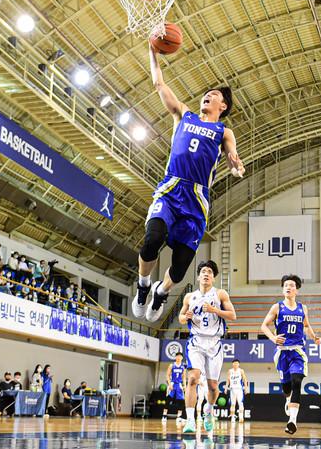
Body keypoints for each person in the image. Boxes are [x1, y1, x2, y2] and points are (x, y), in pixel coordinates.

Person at [132, 44, 245, 323]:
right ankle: (144, 285)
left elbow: (232, 154)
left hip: (196, 198)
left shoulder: (223, 131)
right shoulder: (184, 114)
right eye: (207, 93)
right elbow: (159, 84)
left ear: (223, 106)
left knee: (181, 267)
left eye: (214, 95)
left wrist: (235, 165)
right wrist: (153, 52)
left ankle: (161, 292)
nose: (208, 95)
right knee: (152, 239)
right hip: (172, 188)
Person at [177, 260, 237, 433]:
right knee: (193, 378)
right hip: (196, 342)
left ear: (213, 278)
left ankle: (209, 411)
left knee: (213, 386)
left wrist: (214, 310)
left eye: (210, 272)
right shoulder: (190, 297)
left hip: (214, 343)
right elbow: (181, 318)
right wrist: (186, 317)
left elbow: (232, 315)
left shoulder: (220, 294)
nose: (206, 274)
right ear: (198, 276)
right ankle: (190, 420)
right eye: (203, 271)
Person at [260, 274, 321, 435]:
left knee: (297, 382)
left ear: (297, 290)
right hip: (282, 352)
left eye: (292, 285)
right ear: (283, 289)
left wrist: (314, 337)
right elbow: (264, 326)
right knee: (287, 387)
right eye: (286, 285)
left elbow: (306, 326)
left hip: (297, 351)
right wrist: (273, 338)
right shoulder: (277, 307)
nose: (288, 287)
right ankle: (288, 399)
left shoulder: (303, 308)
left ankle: (292, 421)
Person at [162, 352, 186, 424]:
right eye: (177, 356)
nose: (178, 357)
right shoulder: (172, 365)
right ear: (175, 357)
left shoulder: (183, 367)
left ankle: (179, 416)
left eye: (180, 356)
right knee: (168, 399)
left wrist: (184, 385)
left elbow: (184, 377)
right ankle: (164, 415)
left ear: (182, 358)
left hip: (179, 385)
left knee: (181, 401)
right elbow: (167, 375)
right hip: (172, 383)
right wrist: (169, 384)